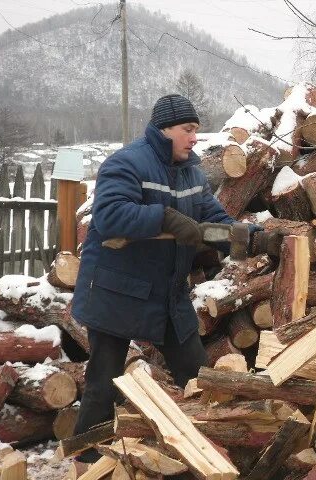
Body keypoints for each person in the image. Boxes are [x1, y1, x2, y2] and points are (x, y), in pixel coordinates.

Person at [70, 94, 281, 463]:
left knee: (199, 377)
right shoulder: (126, 164)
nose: (194, 138)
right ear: (163, 129)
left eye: (196, 130)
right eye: (188, 130)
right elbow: (109, 217)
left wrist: (251, 237)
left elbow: (212, 225)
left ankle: (213, 455)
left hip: (166, 292)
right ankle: (86, 464)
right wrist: (165, 218)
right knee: (103, 387)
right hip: (116, 289)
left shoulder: (192, 174)